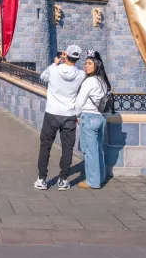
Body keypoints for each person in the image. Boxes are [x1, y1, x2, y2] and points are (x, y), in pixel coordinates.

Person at [35, 44, 86, 191]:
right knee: (67, 148)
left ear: (65, 55)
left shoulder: (54, 70)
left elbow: (42, 77)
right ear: (77, 58)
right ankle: (63, 180)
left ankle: (42, 179)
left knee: (46, 146)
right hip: (69, 115)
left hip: (52, 113)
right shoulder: (81, 75)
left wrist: (55, 63)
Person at [75, 50, 112, 189]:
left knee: (90, 151)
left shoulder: (89, 81)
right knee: (98, 150)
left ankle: (92, 181)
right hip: (101, 118)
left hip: (89, 118)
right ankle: (100, 178)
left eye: (89, 63)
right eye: (85, 63)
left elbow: (79, 101)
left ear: (97, 64)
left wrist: (77, 115)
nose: (86, 66)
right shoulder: (102, 81)